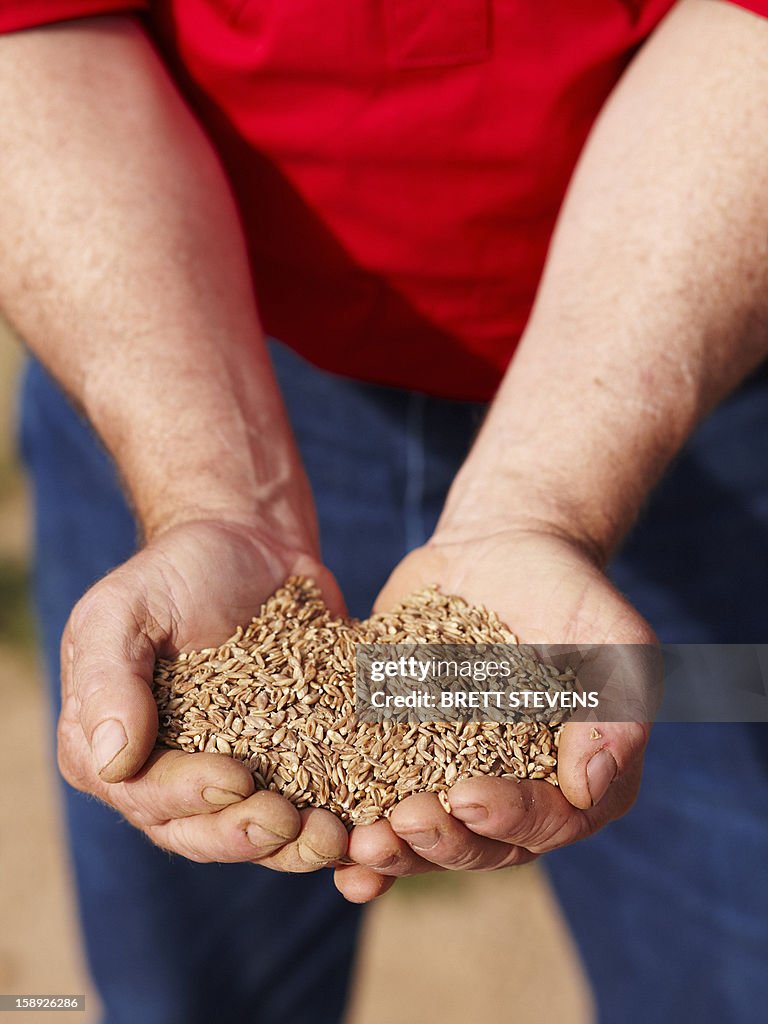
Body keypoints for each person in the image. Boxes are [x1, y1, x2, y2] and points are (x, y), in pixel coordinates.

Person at [1, 1, 767, 1020]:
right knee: (190, 980)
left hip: (690, 371)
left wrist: (541, 502)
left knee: (734, 963)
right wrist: (210, 494)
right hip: (175, 358)